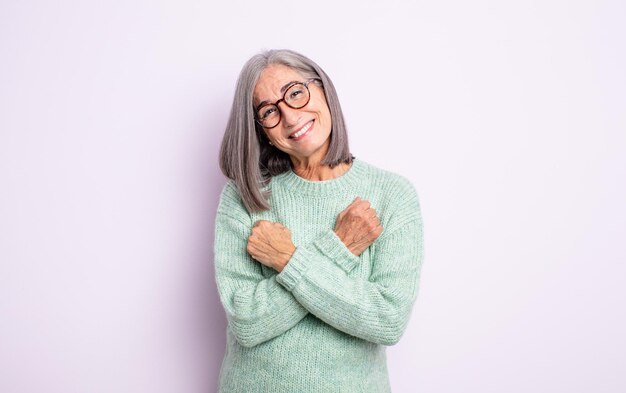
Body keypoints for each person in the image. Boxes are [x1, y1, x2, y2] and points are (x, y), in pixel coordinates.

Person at [214, 48, 424, 393]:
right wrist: (339, 248)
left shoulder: (392, 194)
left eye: (296, 92)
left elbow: (387, 320)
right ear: (261, 130)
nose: (290, 116)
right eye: (269, 111)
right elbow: (248, 322)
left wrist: (287, 259)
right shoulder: (244, 196)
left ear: (324, 89)